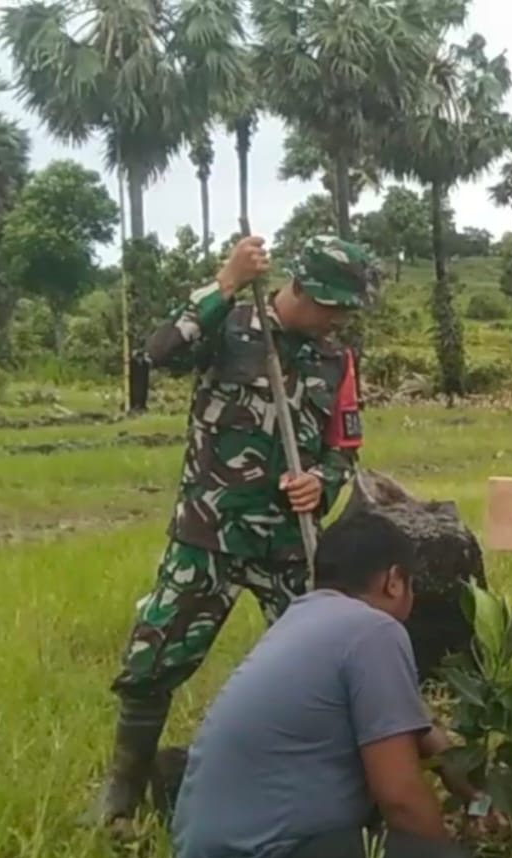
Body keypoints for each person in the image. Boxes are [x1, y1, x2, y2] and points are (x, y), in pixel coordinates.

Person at [90, 233, 377, 824]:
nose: (339, 320)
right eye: (334, 307)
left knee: (321, 667)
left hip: (289, 544)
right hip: (209, 534)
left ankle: (321, 788)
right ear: (304, 288)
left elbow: (344, 447)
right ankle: (124, 790)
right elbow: (159, 352)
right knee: (152, 659)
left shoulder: (335, 360)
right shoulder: (229, 325)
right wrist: (225, 282)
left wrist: (320, 483)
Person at [171, 511, 497, 858]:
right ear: (394, 581)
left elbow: (414, 725)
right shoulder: (375, 630)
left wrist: (472, 792)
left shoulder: (304, 619)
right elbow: (399, 797)